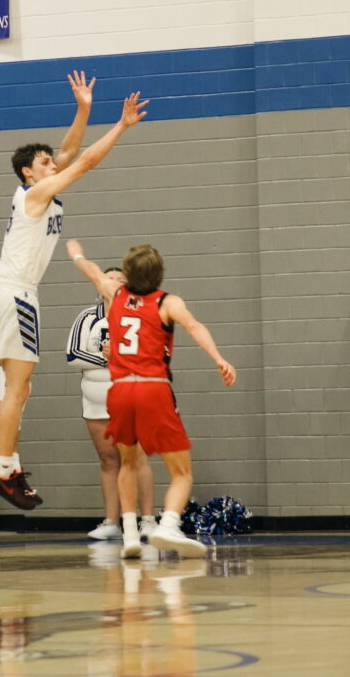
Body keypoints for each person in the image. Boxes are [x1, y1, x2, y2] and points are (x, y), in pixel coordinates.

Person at [0, 71, 148, 510]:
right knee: (17, 390)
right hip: (16, 294)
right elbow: (85, 161)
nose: (53, 163)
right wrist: (120, 125)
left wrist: (84, 108)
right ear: (27, 172)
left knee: (19, 389)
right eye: (44, 163)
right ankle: (4, 469)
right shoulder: (33, 196)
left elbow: (71, 151)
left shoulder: (38, 191)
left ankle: (8, 463)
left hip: (10, 293)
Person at [67, 239, 236, 558]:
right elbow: (195, 326)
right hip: (151, 387)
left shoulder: (114, 293)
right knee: (181, 471)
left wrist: (77, 253)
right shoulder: (167, 302)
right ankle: (167, 525)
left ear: (127, 274)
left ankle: (130, 533)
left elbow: (90, 270)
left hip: (118, 391)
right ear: (160, 274)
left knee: (126, 463)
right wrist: (218, 358)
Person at [66, 272, 157, 542]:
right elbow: (72, 355)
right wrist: (105, 360)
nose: (113, 282)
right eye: (109, 278)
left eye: (120, 278)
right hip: (95, 396)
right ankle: (111, 521)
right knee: (108, 460)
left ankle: (148, 520)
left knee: (136, 458)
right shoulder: (87, 318)